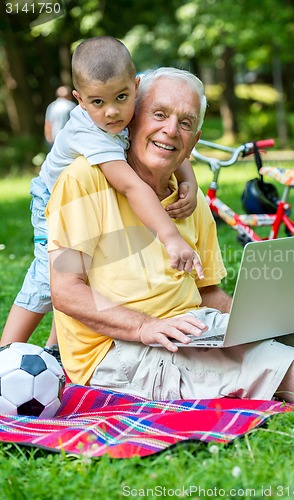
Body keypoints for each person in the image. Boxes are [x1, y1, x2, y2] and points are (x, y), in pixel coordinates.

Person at [47, 67, 294, 405]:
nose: (170, 130)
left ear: (194, 141)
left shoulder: (189, 198)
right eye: (159, 114)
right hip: (117, 350)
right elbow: (65, 291)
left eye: (185, 123)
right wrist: (143, 327)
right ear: (132, 119)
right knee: (276, 366)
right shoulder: (84, 180)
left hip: (192, 327)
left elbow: (206, 291)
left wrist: (255, 321)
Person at [0, 37, 202, 360]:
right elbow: (131, 186)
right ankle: (5, 355)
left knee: (88, 268)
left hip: (91, 202)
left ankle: (55, 348)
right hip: (52, 199)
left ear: (135, 86)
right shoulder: (91, 133)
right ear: (80, 101)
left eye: (121, 97)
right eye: (97, 102)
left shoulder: (128, 111)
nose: (111, 112)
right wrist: (171, 238)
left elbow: (175, 150)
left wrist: (188, 182)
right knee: (48, 276)